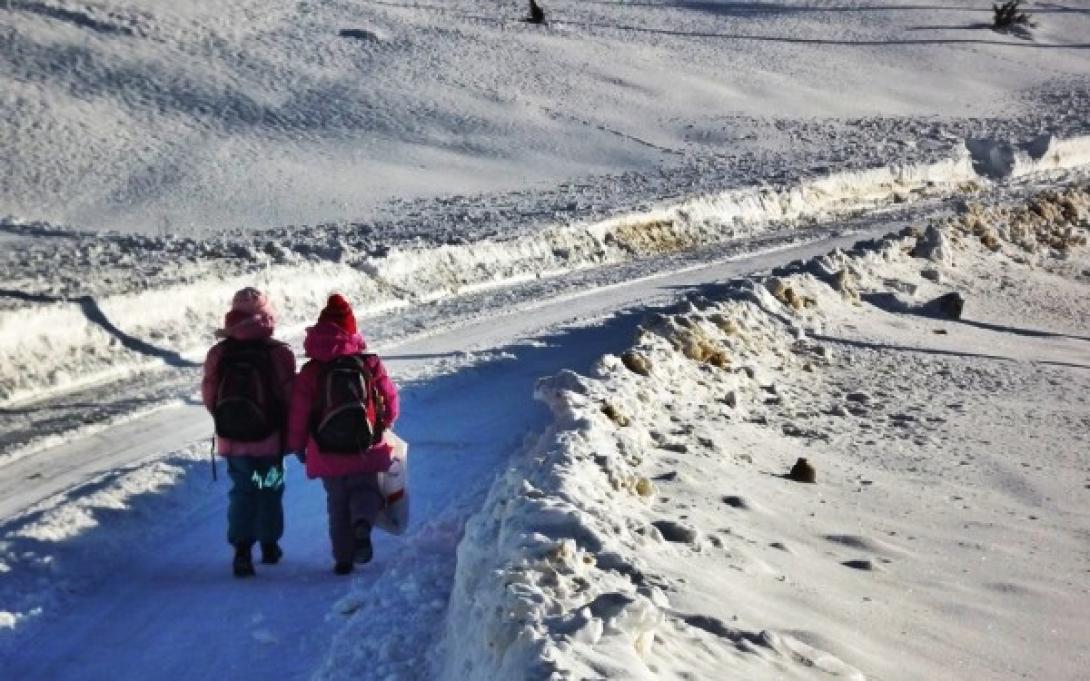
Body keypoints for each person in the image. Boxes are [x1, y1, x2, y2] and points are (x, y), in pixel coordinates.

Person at [286, 294, 399, 575]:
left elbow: (299, 413)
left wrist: (298, 445)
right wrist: (386, 422)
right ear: (352, 331)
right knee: (366, 491)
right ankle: (362, 523)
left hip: (326, 451)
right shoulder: (368, 363)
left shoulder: (311, 372)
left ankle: (343, 559)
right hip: (365, 445)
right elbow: (390, 398)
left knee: (337, 505)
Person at [201, 288, 295, 578]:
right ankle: (269, 544)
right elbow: (290, 396)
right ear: (267, 316)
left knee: (242, 491)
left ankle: (242, 549)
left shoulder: (219, 352)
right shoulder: (279, 353)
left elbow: (209, 393)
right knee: (270, 489)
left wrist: (226, 420)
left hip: (234, 439)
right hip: (270, 440)